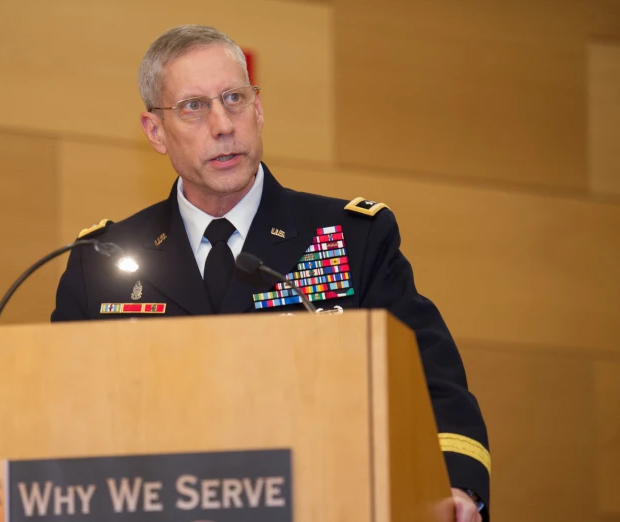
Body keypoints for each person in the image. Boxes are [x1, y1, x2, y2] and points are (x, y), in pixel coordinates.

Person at [52, 24, 489, 522]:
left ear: (258, 110)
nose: (222, 124)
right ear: (155, 132)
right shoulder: (102, 261)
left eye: (234, 98)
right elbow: (63, 417)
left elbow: (429, 381)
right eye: (194, 107)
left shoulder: (349, 238)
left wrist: (457, 488)